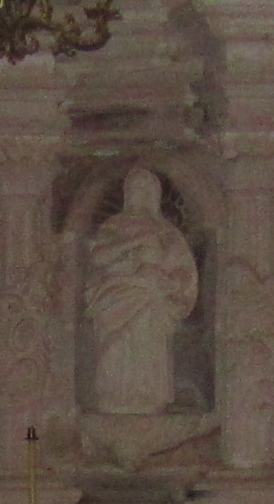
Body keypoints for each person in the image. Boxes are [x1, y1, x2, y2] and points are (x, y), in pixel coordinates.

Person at [82, 166, 197, 415]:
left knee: (147, 344)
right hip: (115, 296)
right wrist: (134, 249)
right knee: (116, 344)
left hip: (151, 299)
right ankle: (115, 395)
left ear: (155, 194)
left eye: (146, 188)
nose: (140, 193)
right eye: (135, 188)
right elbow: (99, 256)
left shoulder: (166, 232)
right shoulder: (114, 226)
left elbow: (183, 271)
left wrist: (167, 283)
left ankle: (148, 397)